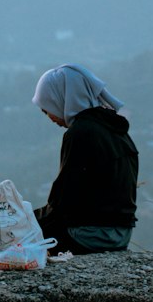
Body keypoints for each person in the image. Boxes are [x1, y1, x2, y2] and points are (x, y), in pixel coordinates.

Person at [32, 63, 138, 254]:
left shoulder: (81, 133)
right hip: (121, 235)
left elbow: (63, 201)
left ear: (61, 100)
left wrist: (27, 219)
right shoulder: (114, 128)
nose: (49, 116)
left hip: (89, 236)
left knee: (17, 233)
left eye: (46, 108)